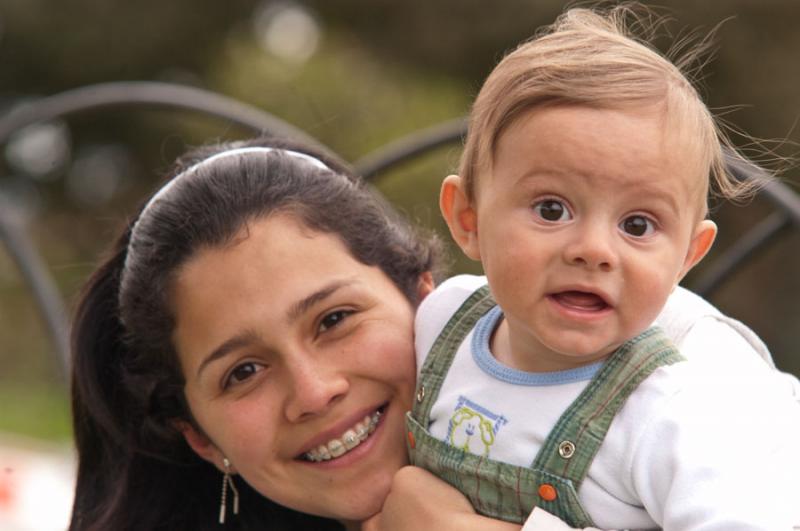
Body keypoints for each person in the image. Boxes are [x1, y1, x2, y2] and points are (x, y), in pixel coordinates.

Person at [405, 4, 800, 531]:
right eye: (551, 209)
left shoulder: (676, 411)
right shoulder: (442, 323)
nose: (593, 250)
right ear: (468, 219)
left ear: (688, 256)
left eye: (637, 226)